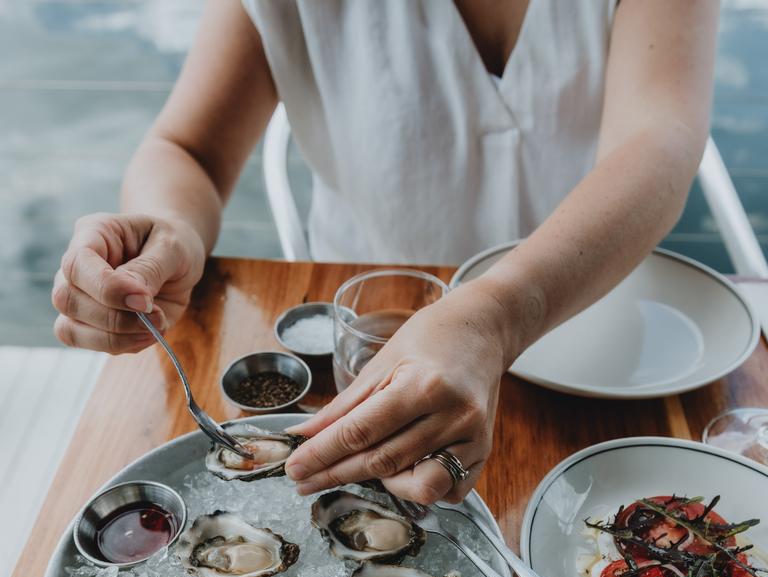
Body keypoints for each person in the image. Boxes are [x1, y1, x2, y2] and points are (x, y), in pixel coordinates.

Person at [52, 0, 719, 503]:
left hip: (598, 341)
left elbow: (658, 139)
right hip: (363, 359)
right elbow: (187, 150)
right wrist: (167, 225)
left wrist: (491, 318)